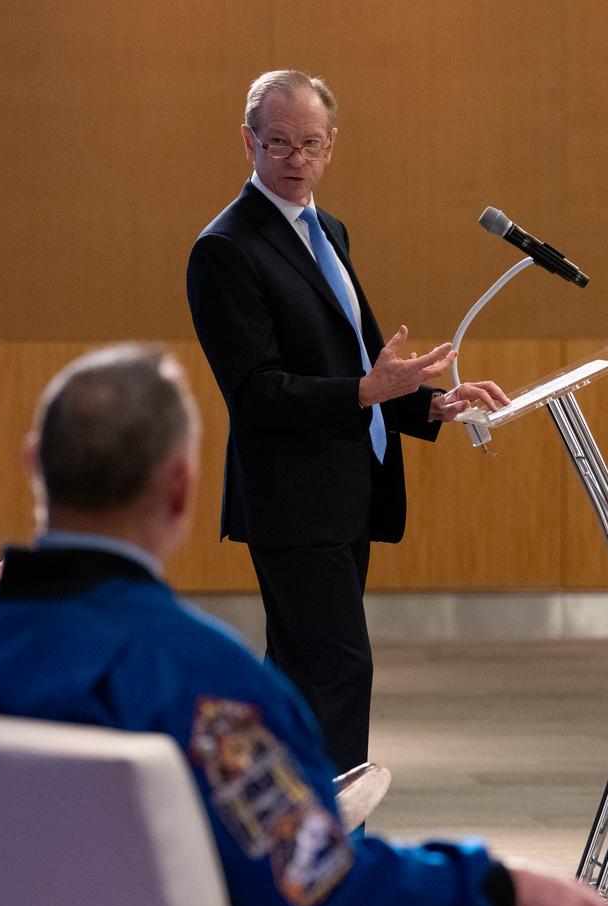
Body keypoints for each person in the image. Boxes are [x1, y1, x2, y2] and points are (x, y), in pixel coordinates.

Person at [0, 345, 608, 906]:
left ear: (35, 462)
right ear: (182, 488)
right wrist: (491, 878)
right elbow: (313, 879)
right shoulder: (206, 681)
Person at [186, 69, 509, 774]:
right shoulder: (225, 248)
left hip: (343, 492)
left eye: (310, 143)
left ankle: (284, 833)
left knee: (302, 675)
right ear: (248, 142)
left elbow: (359, 361)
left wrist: (430, 403)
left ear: (332, 146)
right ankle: (331, 848)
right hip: (289, 500)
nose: (295, 159)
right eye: (278, 143)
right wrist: (367, 389)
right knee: (337, 671)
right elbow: (259, 393)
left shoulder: (328, 230)